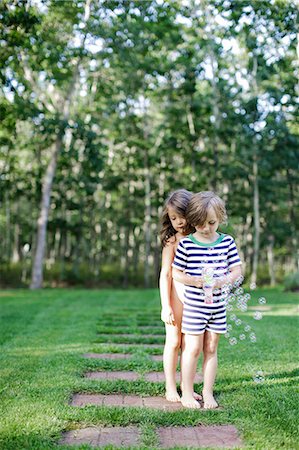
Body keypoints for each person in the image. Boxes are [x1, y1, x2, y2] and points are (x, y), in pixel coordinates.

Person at [172, 191, 242, 409]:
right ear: (193, 221)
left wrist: (224, 280)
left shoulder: (227, 242)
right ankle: (187, 392)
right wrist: (195, 280)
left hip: (217, 306)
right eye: (200, 223)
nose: (206, 228)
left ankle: (208, 392)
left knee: (211, 348)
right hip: (194, 307)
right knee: (192, 349)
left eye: (211, 222)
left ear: (220, 218)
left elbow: (236, 271)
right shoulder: (187, 245)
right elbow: (176, 273)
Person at [159, 189, 203, 403]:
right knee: (174, 341)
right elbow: (165, 274)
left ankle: (187, 387)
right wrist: (165, 306)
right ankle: (170, 387)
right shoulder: (171, 241)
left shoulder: (199, 239)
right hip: (176, 297)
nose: (177, 221)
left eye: (180, 216)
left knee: (191, 345)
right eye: (172, 218)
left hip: (197, 300)